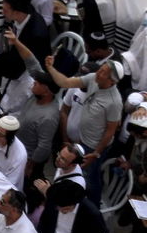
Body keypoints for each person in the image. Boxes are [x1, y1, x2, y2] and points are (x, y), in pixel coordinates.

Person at [43, 56, 125, 202]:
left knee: (88, 178)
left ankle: (91, 207)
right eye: (100, 69)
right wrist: (50, 68)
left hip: (92, 146)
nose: (99, 74)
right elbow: (66, 82)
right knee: (70, 170)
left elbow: (110, 131)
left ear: (112, 81)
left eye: (103, 73)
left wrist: (96, 153)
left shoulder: (114, 102)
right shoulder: (93, 78)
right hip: (80, 140)